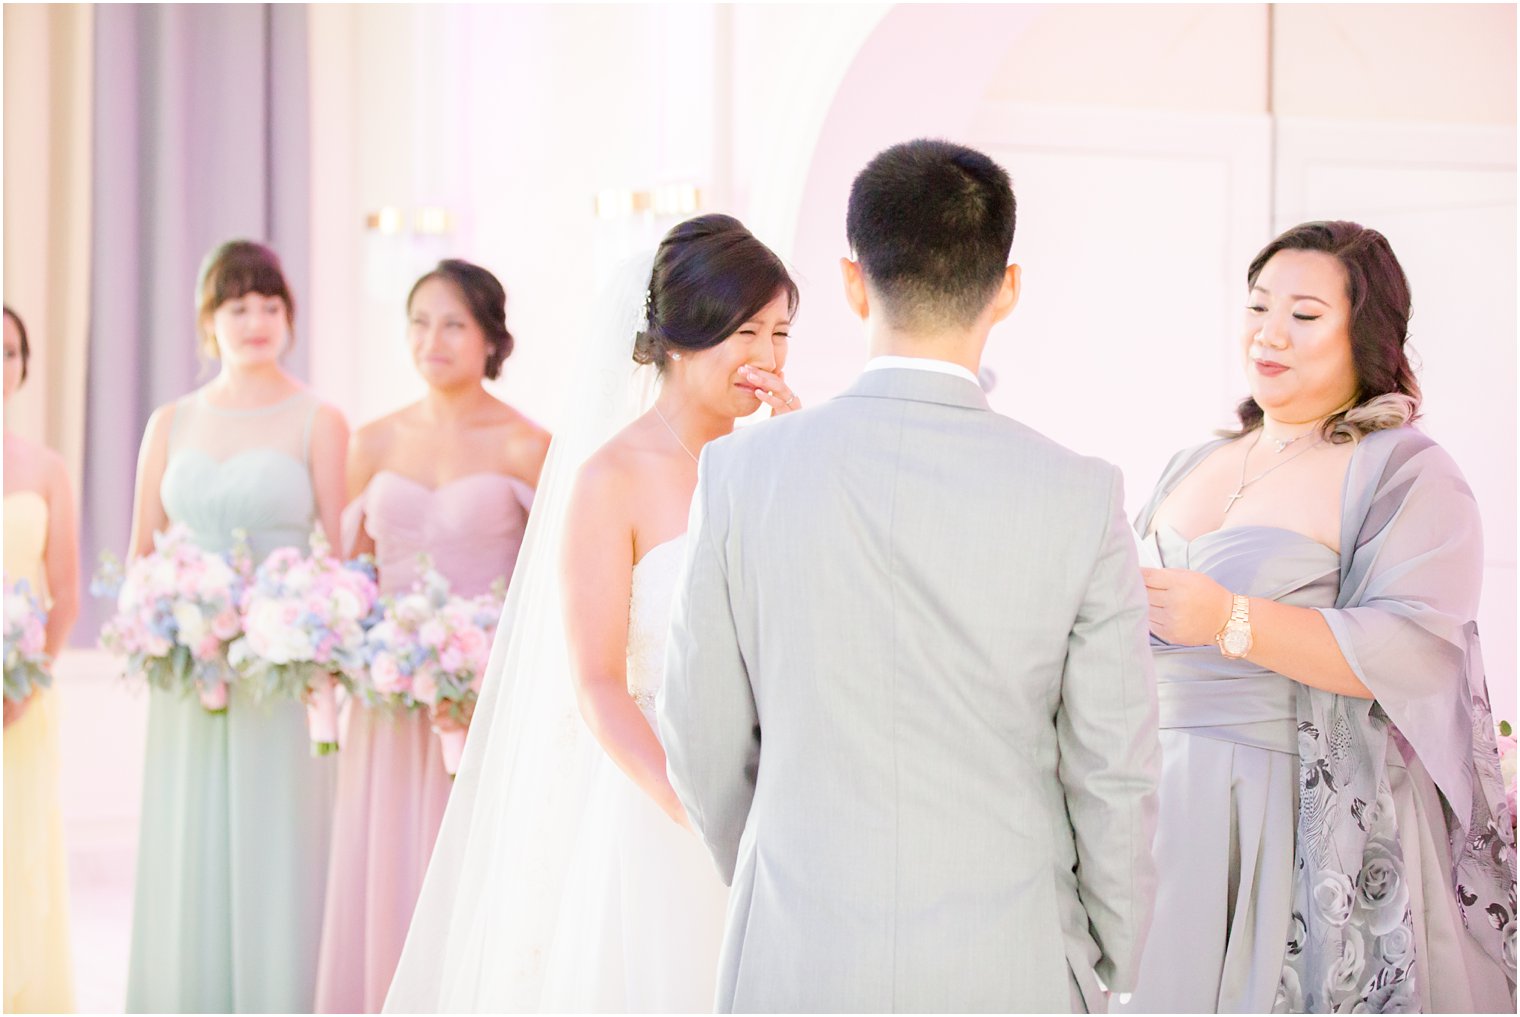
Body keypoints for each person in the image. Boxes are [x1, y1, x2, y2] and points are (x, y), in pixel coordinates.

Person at [659, 138, 1161, 1013]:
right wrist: (1109, 955)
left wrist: (782, 867)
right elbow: (1113, 766)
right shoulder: (1082, 495)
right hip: (1013, 958)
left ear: (853, 282)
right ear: (1006, 287)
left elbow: (700, 731)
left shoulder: (741, 476)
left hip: (797, 951)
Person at [384, 214, 801, 1012]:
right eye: (745, 330)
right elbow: (598, 682)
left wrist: (801, 465)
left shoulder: (780, 458)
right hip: (659, 804)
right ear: (679, 336)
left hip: (780, 791)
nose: (768, 358)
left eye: (780, 333)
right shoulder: (611, 477)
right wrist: (695, 808)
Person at [1122, 220, 1515, 1012]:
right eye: (1258, 307)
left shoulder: (1402, 469)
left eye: (1303, 316)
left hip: (1288, 801)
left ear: (1363, 333)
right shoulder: (1192, 463)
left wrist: (1232, 618)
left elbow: (1413, 649)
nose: (1269, 333)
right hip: (1163, 798)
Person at [315, 259, 548, 1013]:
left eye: (453, 322)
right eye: (419, 320)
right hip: (388, 704)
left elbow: (549, 587)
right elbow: (346, 579)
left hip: (483, 706)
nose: (432, 338)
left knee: (475, 867)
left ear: (490, 336)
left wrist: (487, 666)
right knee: (386, 869)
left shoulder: (528, 443)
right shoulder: (371, 441)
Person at [123, 240, 348, 1013]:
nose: (255, 320)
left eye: (270, 304)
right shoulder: (170, 421)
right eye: (237, 304)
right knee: (189, 843)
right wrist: (167, 617)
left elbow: (338, 559)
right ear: (207, 319)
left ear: (290, 316)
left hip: (277, 671)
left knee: (274, 841)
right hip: (190, 671)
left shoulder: (320, 418)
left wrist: (305, 632)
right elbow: (139, 555)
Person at [3, 306, 80, 1012]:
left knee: (16, 847)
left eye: (8, 351)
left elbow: (67, 593)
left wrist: (26, 678)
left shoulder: (47, 467)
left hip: (18, 699)